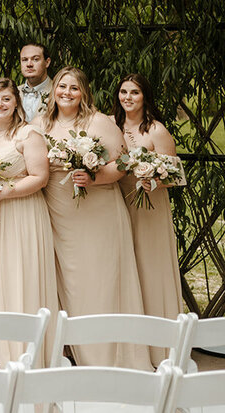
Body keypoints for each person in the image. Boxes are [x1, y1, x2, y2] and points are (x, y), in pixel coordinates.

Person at [36, 66, 149, 369]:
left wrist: (94, 178)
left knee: (99, 280)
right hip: (59, 214)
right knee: (68, 282)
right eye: (62, 87)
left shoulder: (98, 122)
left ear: (84, 92)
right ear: (53, 90)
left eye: (74, 88)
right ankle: (73, 347)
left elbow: (123, 162)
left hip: (98, 213)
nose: (67, 93)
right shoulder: (41, 123)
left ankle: (107, 354)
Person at [0, 78, 59, 368]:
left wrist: (2, 193)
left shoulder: (28, 134)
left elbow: (40, 177)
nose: (0, 104)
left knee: (18, 275)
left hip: (20, 214)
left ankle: (22, 348)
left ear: (16, 102)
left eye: (6, 98)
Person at [114, 73, 182, 365]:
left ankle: (160, 347)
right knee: (125, 271)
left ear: (145, 97)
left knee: (150, 269)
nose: (128, 97)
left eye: (135, 92)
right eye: (123, 92)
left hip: (149, 206)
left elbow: (175, 175)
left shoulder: (156, 130)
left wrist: (151, 180)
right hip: (118, 203)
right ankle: (130, 345)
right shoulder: (112, 125)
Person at [18, 42, 53, 123]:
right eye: (24, 60)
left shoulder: (59, 93)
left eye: (35, 59)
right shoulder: (14, 92)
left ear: (47, 62)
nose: (29, 64)